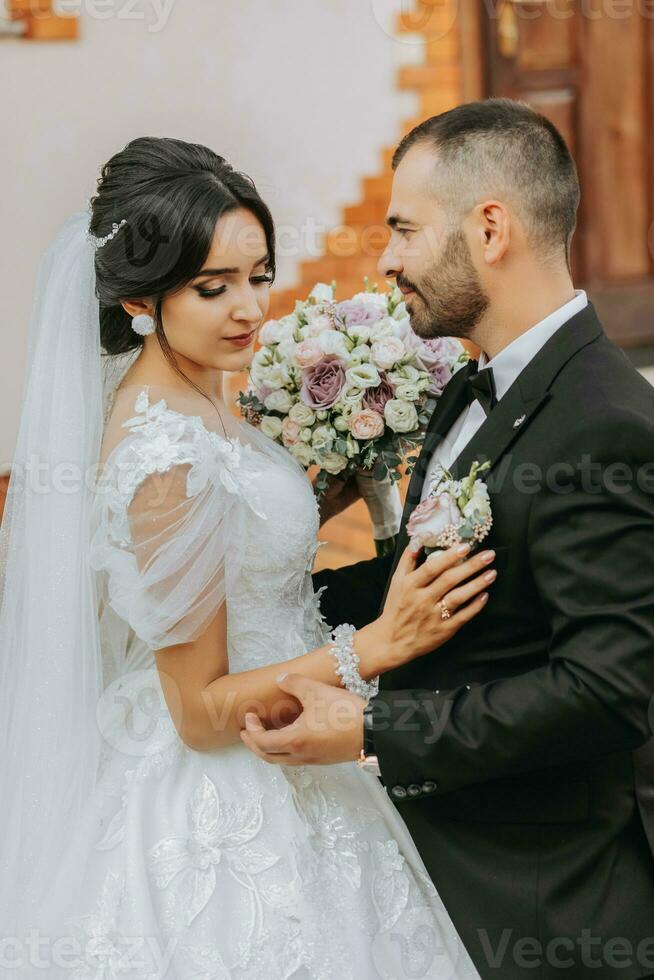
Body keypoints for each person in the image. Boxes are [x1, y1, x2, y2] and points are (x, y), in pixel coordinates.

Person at [0, 136, 492, 979]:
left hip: (292, 746)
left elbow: (235, 559)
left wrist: (327, 494)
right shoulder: (166, 455)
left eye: (258, 275)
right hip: (224, 791)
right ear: (141, 302)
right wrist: (376, 645)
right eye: (211, 287)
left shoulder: (193, 402)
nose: (248, 308)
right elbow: (196, 711)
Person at [243, 99, 654, 980]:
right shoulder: (476, 387)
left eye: (404, 230)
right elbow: (418, 582)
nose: (386, 259)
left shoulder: (603, 424)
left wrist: (376, 728)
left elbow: (607, 689)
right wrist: (253, 604)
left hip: (535, 905)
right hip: (427, 864)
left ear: (490, 228)